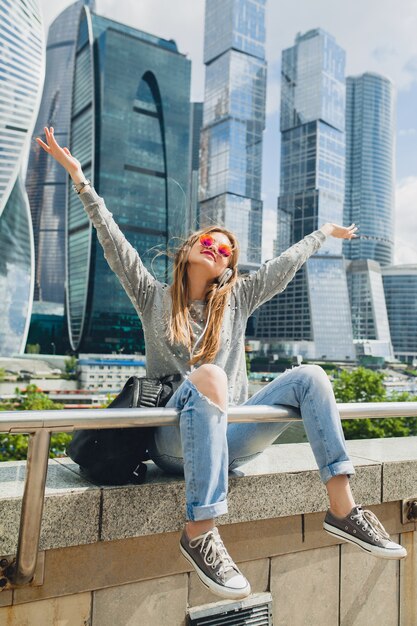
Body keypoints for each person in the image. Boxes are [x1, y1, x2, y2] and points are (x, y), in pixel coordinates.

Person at [36, 127, 407, 601]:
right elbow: (112, 239)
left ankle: (343, 510)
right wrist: (79, 179)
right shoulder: (152, 296)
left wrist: (324, 233)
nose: (216, 246)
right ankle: (200, 532)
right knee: (208, 375)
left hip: (235, 442)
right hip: (174, 443)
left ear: (229, 270)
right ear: (189, 250)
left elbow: (285, 263)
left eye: (225, 248)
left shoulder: (239, 300)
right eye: (208, 241)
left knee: (312, 376)